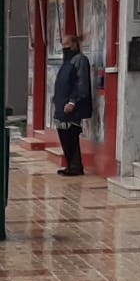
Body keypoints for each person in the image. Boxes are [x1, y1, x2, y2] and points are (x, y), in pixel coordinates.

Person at [52, 33, 92, 176]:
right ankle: (70, 165)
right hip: (61, 105)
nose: (65, 48)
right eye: (63, 46)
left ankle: (75, 166)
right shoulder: (66, 62)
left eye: (67, 45)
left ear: (75, 44)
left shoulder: (80, 60)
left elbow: (82, 84)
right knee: (63, 135)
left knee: (71, 135)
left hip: (72, 107)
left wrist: (73, 101)